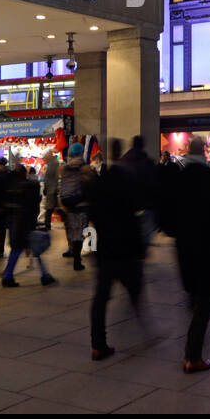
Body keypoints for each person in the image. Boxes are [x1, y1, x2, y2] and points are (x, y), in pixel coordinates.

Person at [164, 137, 210, 373]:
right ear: (204, 153)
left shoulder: (179, 180)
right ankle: (193, 357)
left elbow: (167, 216)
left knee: (194, 291)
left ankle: (193, 342)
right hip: (208, 249)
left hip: (186, 247)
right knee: (204, 302)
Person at [86, 140, 148, 359]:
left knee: (100, 298)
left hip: (105, 249)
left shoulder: (100, 184)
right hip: (125, 249)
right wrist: (141, 249)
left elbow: (92, 216)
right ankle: (144, 329)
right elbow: (133, 219)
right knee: (135, 290)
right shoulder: (126, 183)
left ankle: (98, 343)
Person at [0, 154, 55, 288]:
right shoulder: (29, 186)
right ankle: (43, 276)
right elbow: (34, 203)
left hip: (15, 224)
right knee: (32, 251)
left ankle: (43, 275)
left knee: (18, 251)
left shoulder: (10, 188)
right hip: (25, 225)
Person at [60, 142, 91, 271]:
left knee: (72, 230)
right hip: (81, 204)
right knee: (80, 232)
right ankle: (77, 261)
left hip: (68, 204)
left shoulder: (64, 169)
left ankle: (72, 250)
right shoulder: (85, 168)